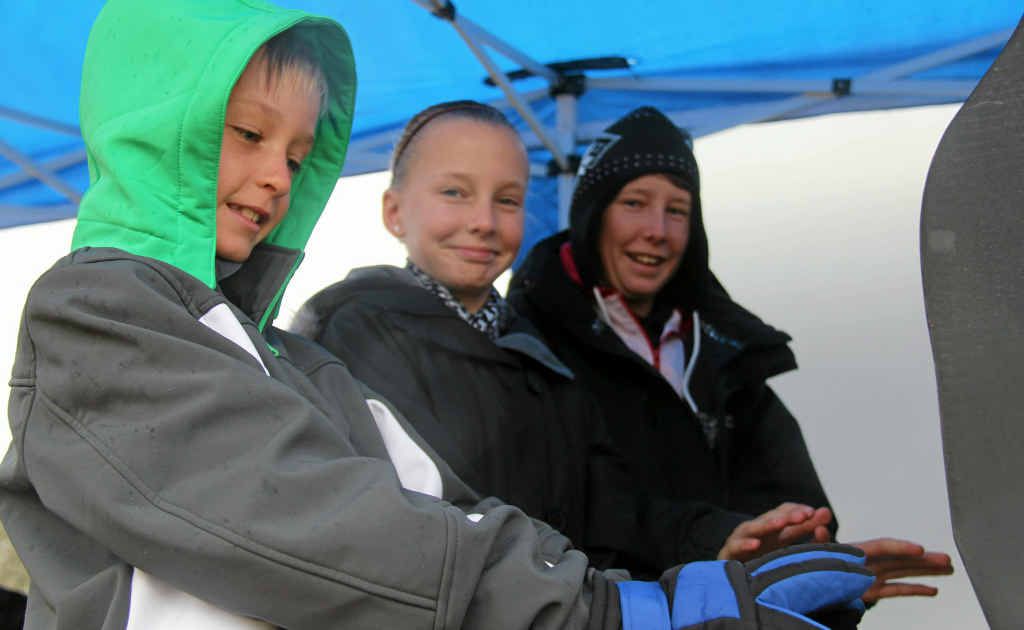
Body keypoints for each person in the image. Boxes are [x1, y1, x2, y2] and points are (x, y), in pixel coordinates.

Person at [0, 3, 873, 629]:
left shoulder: (300, 362)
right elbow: (320, 528)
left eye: (301, 154)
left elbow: (458, 506)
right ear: (158, 128)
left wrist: (695, 569)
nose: (278, 175)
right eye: (246, 134)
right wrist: (613, 611)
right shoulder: (104, 307)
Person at [293, 100, 835, 575]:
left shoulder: (537, 354)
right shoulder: (357, 331)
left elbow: (611, 507)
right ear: (393, 212)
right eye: (455, 192)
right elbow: (415, 525)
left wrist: (719, 540)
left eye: (507, 200)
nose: (483, 220)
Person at [508, 106, 955, 603]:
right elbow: (582, 506)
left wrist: (812, 570)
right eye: (634, 203)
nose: (657, 229)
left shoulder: (726, 349)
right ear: (592, 215)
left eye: (677, 210)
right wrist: (717, 543)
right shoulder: (528, 346)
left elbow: (795, 507)